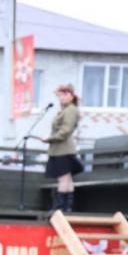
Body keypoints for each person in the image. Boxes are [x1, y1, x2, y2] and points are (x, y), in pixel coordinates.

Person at [39, 84, 83, 213]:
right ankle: (66, 207)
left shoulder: (71, 110)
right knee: (66, 178)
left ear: (71, 95)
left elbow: (66, 130)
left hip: (63, 149)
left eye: (65, 94)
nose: (62, 98)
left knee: (63, 178)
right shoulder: (66, 110)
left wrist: (50, 138)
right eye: (60, 95)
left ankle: (60, 207)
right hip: (60, 149)